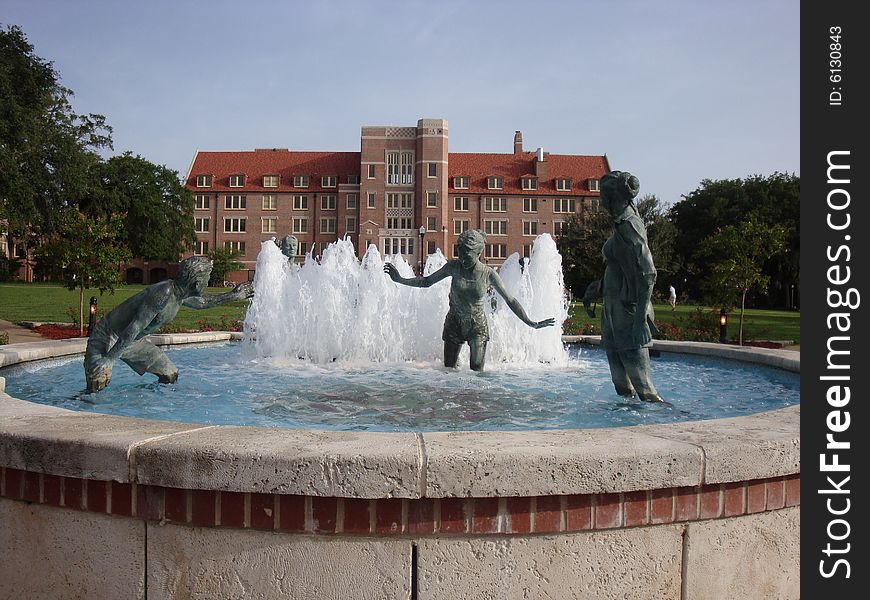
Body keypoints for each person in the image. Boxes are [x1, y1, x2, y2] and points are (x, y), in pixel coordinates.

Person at [384, 229, 554, 371]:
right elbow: (427, 282)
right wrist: (400, 279)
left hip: (477, 326)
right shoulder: (453, 266)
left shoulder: (488, 274)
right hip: (454, 323)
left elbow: (510, 300)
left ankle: (474, 409)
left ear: (479, 253)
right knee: (448, 371)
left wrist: (532, 323)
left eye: (468, 256)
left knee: (477, 375)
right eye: (461, 254)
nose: (463, 259)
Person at [84, 256, 253, 392]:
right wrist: (109, 359)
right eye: (206, 280)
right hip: (107, 337)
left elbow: (202, 302)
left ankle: (149, 403)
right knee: (97, 382)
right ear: (196, 283)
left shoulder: (180, 295)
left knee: (170, 374)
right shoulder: (163, 292)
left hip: (133, 341)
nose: (207, 283)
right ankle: (75, 404)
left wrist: (232, 296)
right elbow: (134, 327)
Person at [583, 170, 663, 402]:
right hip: (613, 312)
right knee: (620, 382)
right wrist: (598, 287)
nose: (599, 200)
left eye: (601, 195)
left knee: (643, 384)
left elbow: (648, 273)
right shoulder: (620, 224)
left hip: (629, 313)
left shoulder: (630, 225)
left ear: (610, 197)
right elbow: (621, 266)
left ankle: (665, 420)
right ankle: (625, 425)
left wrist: (640, 321)